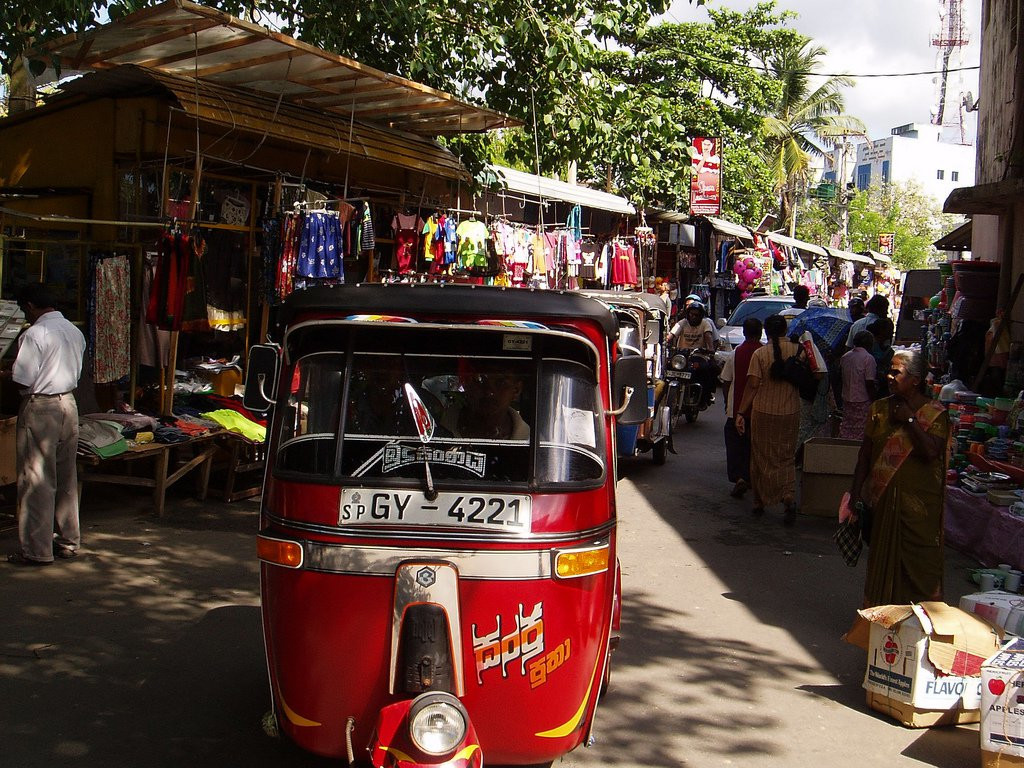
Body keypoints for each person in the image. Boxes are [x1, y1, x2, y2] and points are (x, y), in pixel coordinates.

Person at [850, 349, 949, 606]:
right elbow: (865, 455)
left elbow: (931, 451)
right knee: (882, 558)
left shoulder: (936, 414)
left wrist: (909, 419)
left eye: (897, 372)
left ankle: (924, 620)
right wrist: (854, 494)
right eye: (889, 371)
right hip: (883, 503)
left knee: (922, 563)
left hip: (919, 508)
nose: (889, 376)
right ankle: (880, 618)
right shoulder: (879, 409)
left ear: (915, 379)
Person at [6, 283, 86, 566]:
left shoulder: (35, 334)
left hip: (42, 405)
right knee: (66, 475)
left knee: (36, 478)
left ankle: (37, 549)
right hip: (68, 403)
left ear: (29, 306)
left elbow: (23, 378)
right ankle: (68, 540)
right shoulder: (74, 331)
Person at [734, 315, 801, 525]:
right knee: (786, 455)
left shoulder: (760, 354)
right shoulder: (799, 350)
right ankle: (788, 494)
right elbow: (818, 374)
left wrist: (740, 413)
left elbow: (753, 385)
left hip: (763, 412)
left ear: (767, 332)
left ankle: (759, 500)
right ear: (785, 330)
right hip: (790, 411)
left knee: (761, 456)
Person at [719, 317, 762, 498]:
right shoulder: (764, 352)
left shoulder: (736, 353)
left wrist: (727, 403)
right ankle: (752, 478)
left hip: (737, 408)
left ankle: (739, 478)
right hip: (760, 408)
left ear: (744, 332)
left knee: (736, 444)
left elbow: (726, 381)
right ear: (760, 332)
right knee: (755, 446)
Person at [441, 364, 530, 440]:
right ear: (466, 383)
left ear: (516, 390)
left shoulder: (534, 443)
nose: (489, 391)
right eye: (480, 380)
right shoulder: (433, 432)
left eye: (500, 382)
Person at [668, 301, 719, 408]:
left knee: (704, 369)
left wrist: (710, 348)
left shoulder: (705, 324)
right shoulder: (683, 323)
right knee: (668, 369)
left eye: (696, 315)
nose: (693, 317)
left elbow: (708, 336)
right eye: (691, 314)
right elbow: (671, 334)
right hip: (682, 355)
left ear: (701, 316)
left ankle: (704, 397)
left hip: (699, 355)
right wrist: (666, 341)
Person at [839, 331, 877, 440]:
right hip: (862, 399)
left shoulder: (845, 357)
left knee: (847, 426)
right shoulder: (868, 358)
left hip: (847, 397)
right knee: (861, 428)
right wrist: (874, 399)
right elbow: (869, 382)